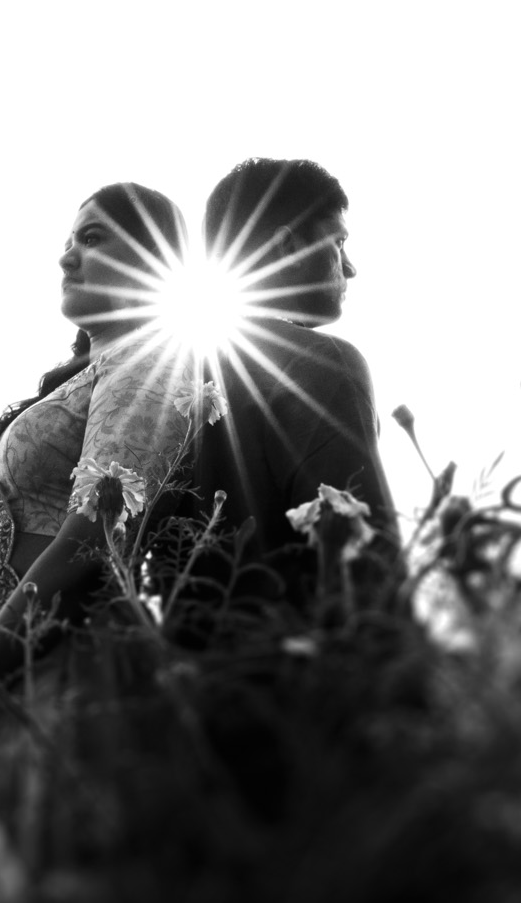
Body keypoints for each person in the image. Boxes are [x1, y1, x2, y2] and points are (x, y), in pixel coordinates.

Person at [0, 182, 200, 834]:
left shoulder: (148, 361)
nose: (67, 257)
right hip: (1, 654)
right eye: (69, 241)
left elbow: (93, 530)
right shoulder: (84, 375)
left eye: (93, 237)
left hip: (62, 660)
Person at [159, 157, 400, 630]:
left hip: (192, 677)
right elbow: (365, 559)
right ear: (283, 246)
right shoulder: (323, 363)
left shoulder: (170, 378)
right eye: (338, 242)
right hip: (299, 671)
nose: (350, 268)